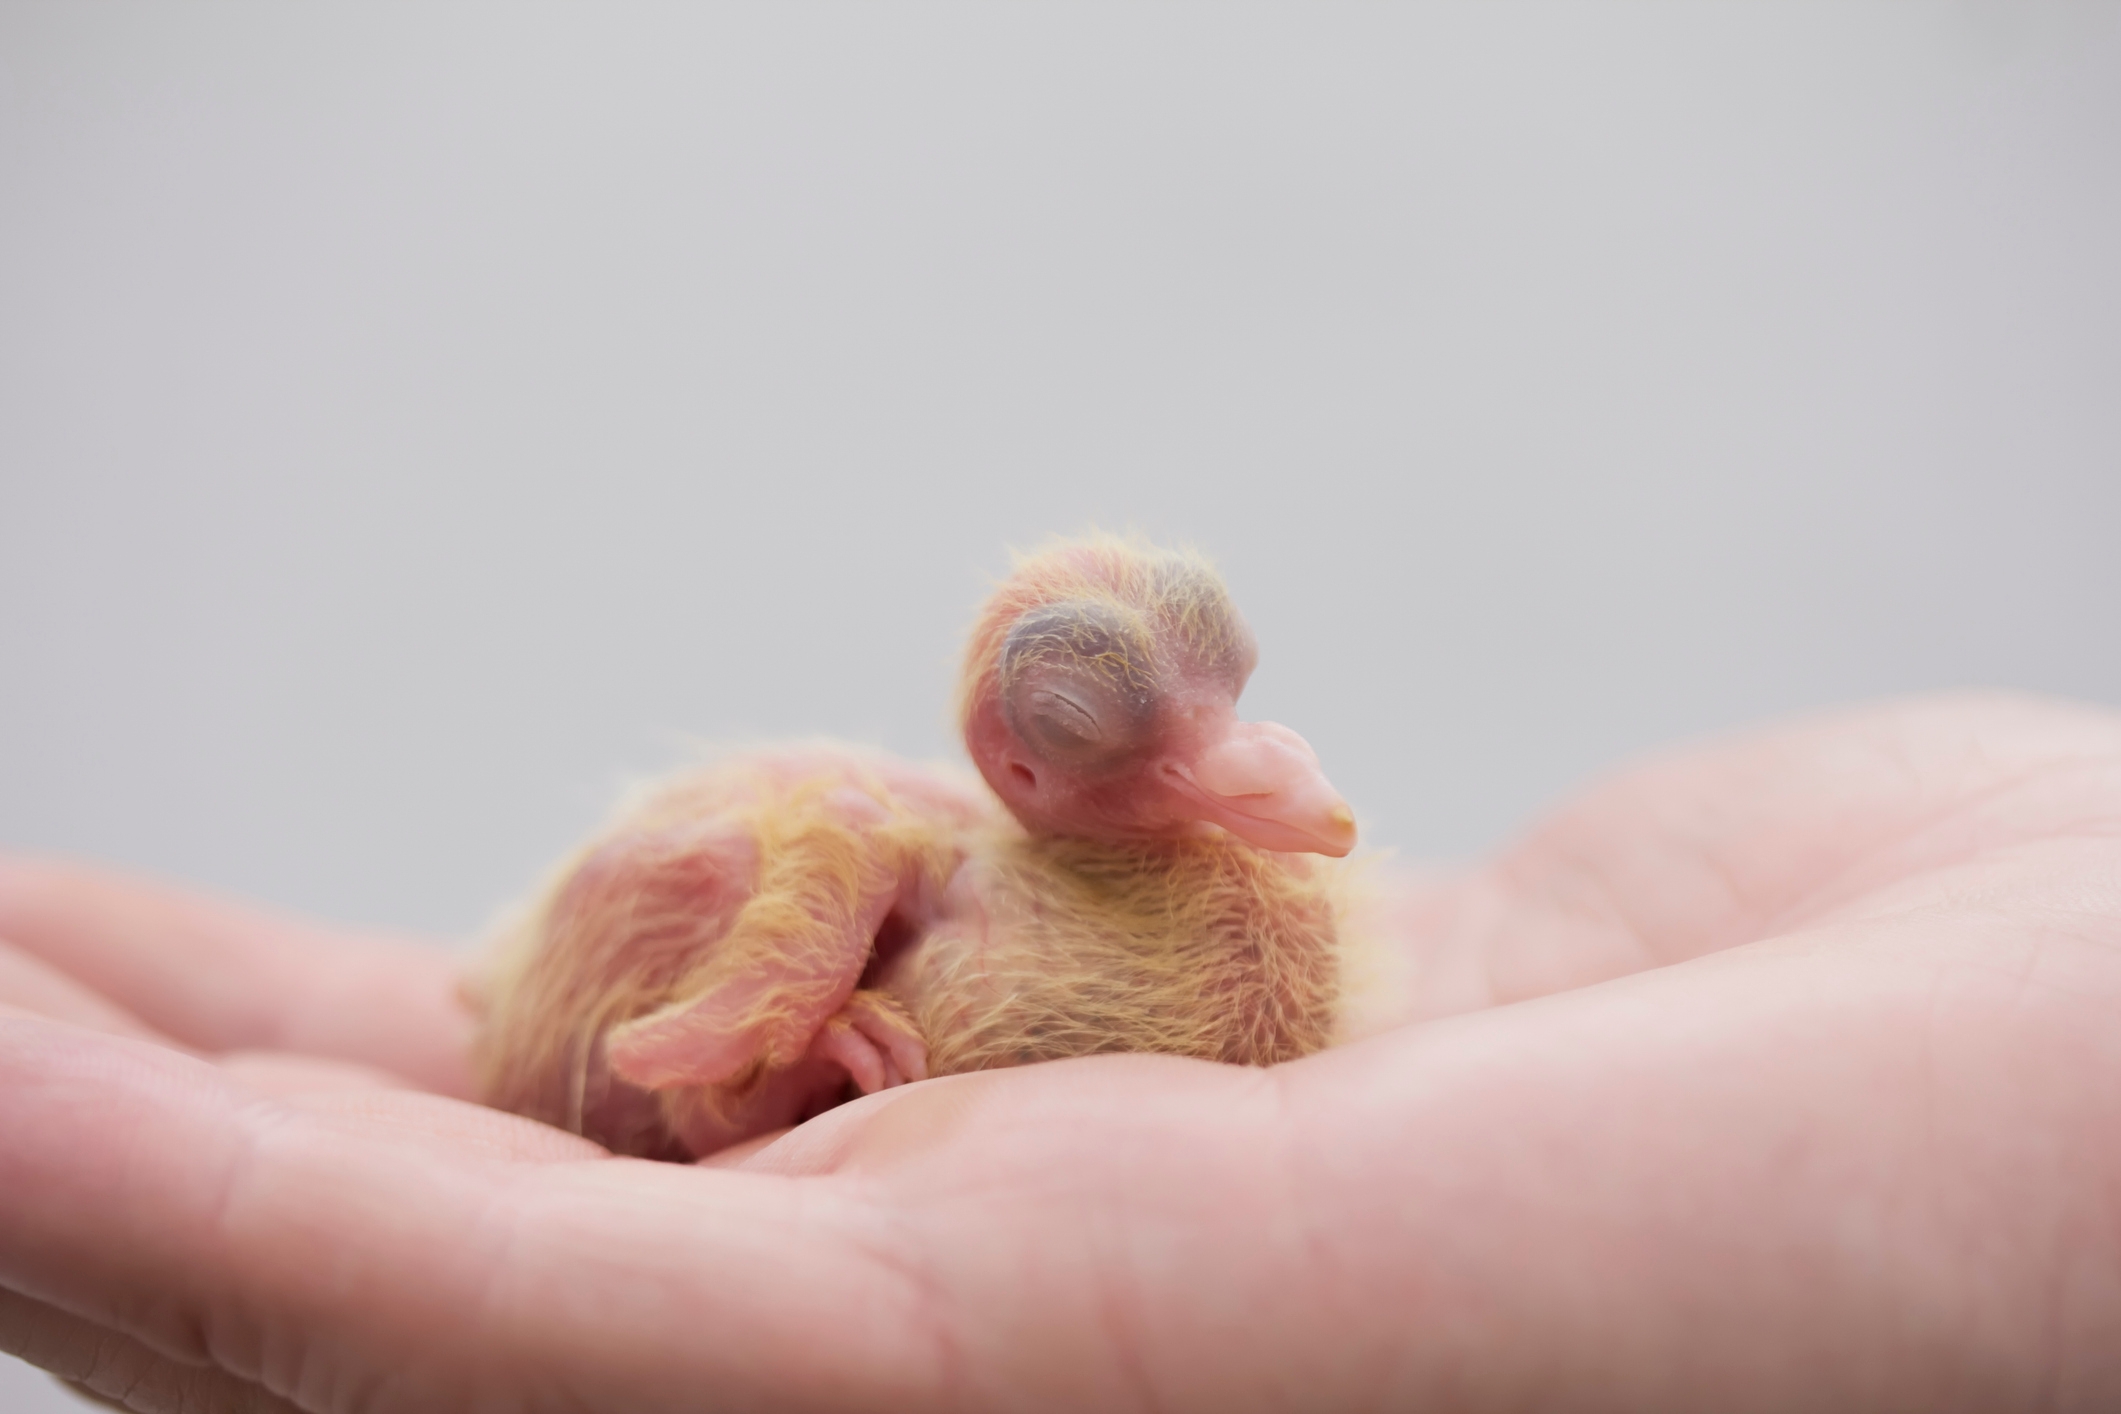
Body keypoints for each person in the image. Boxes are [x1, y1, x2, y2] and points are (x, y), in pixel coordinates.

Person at [1, 693, 2116, 1412]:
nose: (1231, 770)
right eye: (1138, 745)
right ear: (1018, 761)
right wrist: (751, 1040)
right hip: (691, 944)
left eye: (1216, 712)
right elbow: (795, 890)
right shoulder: (880, 839)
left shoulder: (1138, 863)